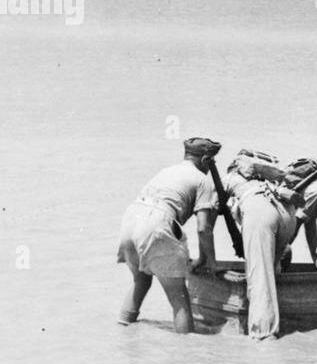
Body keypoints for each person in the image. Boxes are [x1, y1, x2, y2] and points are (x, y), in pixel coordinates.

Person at [117, 137, 221, 333]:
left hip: (131, 218)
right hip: (156, 222)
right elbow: (203, 228)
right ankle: (186, 354)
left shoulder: (167, 171)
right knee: (179, 299)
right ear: (206, 159)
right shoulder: (202, 180)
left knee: (141, 280)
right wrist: (208, 260)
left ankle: (123, 332)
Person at [222, 150, 300, 341]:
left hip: (260, 211)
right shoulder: (270, 179)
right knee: (272, 267)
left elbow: (206, 218)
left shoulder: (230, 177)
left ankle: (263, 334)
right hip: (287, 214)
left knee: (259, 276)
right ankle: (284, 321)